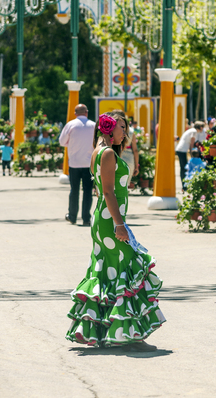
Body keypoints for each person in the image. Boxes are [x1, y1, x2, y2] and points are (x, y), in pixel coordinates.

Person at [66, 112, 165, 351]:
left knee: (108, 272)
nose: (125, 133)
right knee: (127, 267)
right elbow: (108, 192)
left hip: (104, 219)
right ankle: (128, 332)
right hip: (111, 221)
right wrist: (120, 225)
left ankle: (107, 331)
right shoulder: (108, 153)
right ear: (109, 129)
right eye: (122, 128)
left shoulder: (98, 152)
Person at [59, 104, 95, 226]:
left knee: (74, 190)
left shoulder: (70, 125)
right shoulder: (93, 125)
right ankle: (86, 218)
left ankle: (72, 216)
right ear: (87, 112)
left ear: (75, 113)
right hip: (89, 164)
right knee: (88, 191)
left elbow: (62, 141)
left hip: (74, 163)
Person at [175, 121, 205, 190]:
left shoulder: (192, 130)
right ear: (200, 127)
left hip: (181, 150)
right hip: (182, 150)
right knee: (184, 167)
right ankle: (184, 185)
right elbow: (192, 144)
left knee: (183, 167)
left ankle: (185, 185)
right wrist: (192, 155)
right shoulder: (194, 131)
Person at [113, 110, 139, 187]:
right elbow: (135, 150)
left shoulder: (112, 130)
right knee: (124, 187)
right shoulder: (131, 131)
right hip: (129, 160)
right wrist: (136, 166)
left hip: (115, 158)